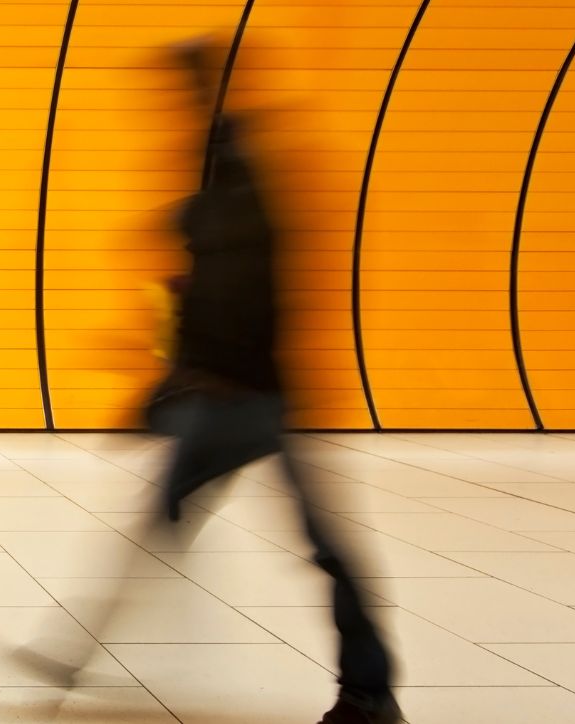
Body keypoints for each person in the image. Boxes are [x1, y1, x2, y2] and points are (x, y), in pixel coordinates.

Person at [48, 39, 398, 724]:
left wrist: (184, 360)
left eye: (174, 93)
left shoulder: (233, 175)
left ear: (199, 93)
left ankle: (371, 689)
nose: (162, 109)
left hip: (251, 396)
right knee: (169, 523)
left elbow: (238, 287)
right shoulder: (225, 172)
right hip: (245, 392)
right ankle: (69, 653)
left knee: (306, 541)